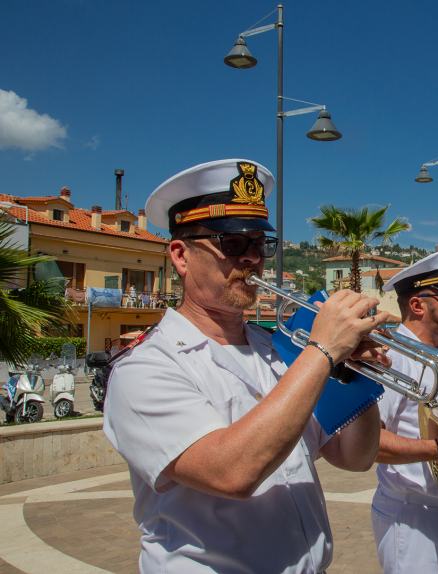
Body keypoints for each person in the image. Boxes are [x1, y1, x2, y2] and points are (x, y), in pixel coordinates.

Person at [103, 159, 395, 573]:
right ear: (181, 256)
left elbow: (354, 457)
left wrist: (356, 377)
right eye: (233, 245)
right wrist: (324, 351)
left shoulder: (278, 350)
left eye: (260, 245)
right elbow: (232, 473)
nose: (253, 260)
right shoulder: (146, 367)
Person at [370, 249, 438, 574]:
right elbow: (370, 443)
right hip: (412, 516)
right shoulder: (390, 357)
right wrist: (434, 449)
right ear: (417, 305)